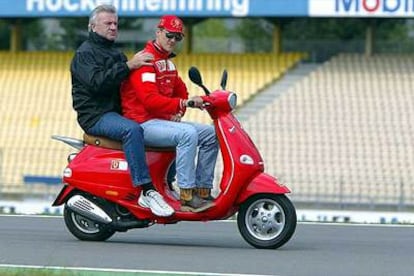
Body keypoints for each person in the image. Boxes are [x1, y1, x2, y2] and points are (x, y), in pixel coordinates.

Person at [70, 4, 174, 217]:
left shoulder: (116, 53)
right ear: (92, 26)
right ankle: (147, 190)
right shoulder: (84, 54)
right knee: (132, 130)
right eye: (108, 23)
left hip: (116, 113)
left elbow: (132, 87)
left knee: (170, 131)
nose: (113, 27)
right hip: (96, 115)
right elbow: (97, 83)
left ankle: (167, 183)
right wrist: (129, 65)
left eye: (115, 23)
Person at [121, 15, 219, 212]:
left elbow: (181, 90)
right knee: (187, 134)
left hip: (160, 122)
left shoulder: (168, 63)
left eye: (178, 37)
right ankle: (186, 194)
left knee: (211, 134)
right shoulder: (146, 61)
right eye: (169, 35)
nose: (173, 40)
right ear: (158, 32)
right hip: (143, 123)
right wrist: (182, 104)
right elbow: (149, 100)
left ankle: (203, 189)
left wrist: (180, 109)